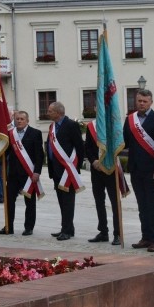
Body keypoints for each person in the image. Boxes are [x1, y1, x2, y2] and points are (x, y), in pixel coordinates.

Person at [122, 89, 154, 251]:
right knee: (142, 205)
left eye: (145, 101)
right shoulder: (130, 120)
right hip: (135, 169)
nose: (141, 103)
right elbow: (125, 142)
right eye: (139, 101)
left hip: (152, 170)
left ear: (151, 102)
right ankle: (145, 237)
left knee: (152, 205)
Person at [0, 110, 44, 236]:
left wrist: (37, 172)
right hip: (13, 174)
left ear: (27, 121)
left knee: (29, 202)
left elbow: (40, 155)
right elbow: (5, 153)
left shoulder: (35, 133)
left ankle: (28, 227)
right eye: (17, 119)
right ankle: (8, 226)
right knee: (9, 201)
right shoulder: (10, 134)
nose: (19, 121)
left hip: (29, 174)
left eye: (22, 119)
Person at [45, 102, 85, 241]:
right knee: (61, 201)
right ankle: (66, 228)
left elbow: (79, 146)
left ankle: (67, 230)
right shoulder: (52, 126)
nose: (47, 112)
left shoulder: (71, 125)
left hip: (68, 171)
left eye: (50, 110)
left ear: (58, 112)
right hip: (55, 170)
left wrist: (75, 168)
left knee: (68, 202)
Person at [85, 119, 124, 245]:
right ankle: (103, 232)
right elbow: (88, 147)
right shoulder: (91, 126)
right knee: (99, 201)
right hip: (96, 169)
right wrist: (93, 160)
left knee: (114, 201)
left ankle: (117, 233)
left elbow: (119, 144)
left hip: (111, 168)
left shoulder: (113, 124)